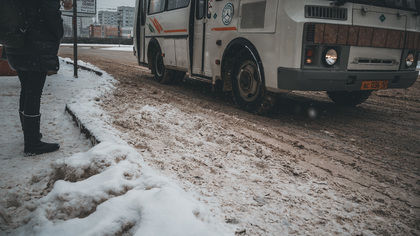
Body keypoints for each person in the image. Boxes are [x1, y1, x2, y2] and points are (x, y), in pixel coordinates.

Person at [3, 0, 72, 156]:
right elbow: (52, 15)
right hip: (36, 45)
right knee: (33, 91)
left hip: (16, 41)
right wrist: (58, 33)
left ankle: (29, 134)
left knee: (26, 89)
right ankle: (32, 142)